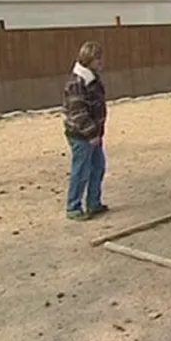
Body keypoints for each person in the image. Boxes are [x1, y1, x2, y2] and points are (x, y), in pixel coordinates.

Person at [61, 40, 108, 220]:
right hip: (82, 136)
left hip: (94, 133)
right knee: (81, 171)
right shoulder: (77, 84)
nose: (101, 62)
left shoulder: (92, 79)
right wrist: (91, 134)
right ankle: (73, 207)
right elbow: (78, 113)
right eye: (98, 59)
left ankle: (93, 203)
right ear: (89, 60)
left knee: (98, 167)